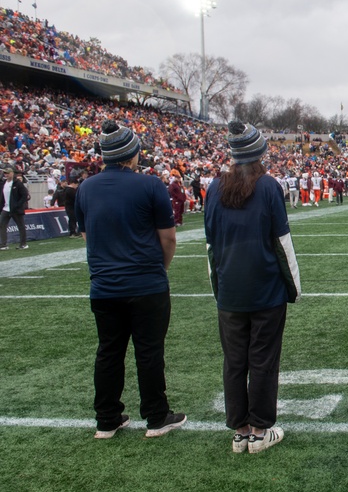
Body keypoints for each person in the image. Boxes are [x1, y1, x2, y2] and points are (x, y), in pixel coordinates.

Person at [75, 121, 186, 439]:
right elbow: (168, 238)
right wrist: (158, 269)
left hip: (104, 286)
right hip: (145, 283)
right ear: (131, 154)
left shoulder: (86, 188)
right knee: (149, 351)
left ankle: (107, 419)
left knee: (108, 351)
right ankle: (156, 415)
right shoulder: (150, 185)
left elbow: (87, 235)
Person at [205, 121, 301, 454]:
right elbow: (282, 243)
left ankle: (240, 431)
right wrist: (294, 288)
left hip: (229, 290)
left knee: (234, 360)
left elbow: (211, 245)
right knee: (262, 359)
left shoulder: (213, 189)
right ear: (259, 153)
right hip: (265, 291)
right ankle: (260, 431)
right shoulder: (269, 186)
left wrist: (218, 287)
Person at [0, 167, 30, 250]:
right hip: (6, 208)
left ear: (12, 173)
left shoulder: (18, 183)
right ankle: (3, 244)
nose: (6, 175)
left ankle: (23, 244)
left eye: (7, 173)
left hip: (16, 209)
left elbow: (24, 195)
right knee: (2, 225)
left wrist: (18, 205)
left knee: (21, 226)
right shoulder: (3, 183)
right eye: (5, 173)